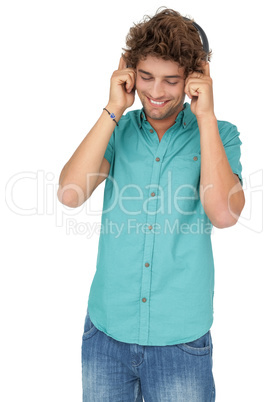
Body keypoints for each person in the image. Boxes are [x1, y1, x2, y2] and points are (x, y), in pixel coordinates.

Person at [57, 7, 245, 402]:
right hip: (106, 335)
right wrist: (114, 107)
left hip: (180, 342)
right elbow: (70, 194)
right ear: (128, 71)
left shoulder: (221, 136)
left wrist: (205, 115)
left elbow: (224, 213)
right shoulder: (116, 130)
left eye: (171, 80)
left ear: (196, 77)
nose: (156, 92)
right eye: (146, 77)